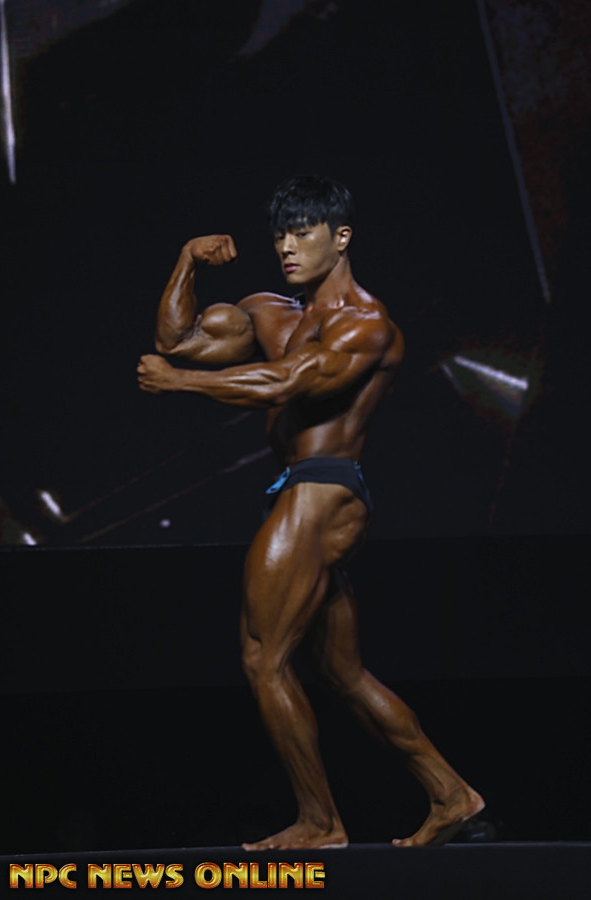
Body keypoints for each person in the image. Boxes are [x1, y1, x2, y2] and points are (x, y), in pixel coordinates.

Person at [137, 174, 484, 850]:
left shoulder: (367, 323)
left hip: (323, 490)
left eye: (303, 233)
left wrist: (182, 384)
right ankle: (453, 796)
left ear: (341, 237)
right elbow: (178, 340)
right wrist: (185, 260)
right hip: (301, 490)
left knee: (263, 658)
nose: (287, 247)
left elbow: (289, 380)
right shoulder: (271, 313)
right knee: (341, 674)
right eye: (280, 236)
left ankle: (321, 823)